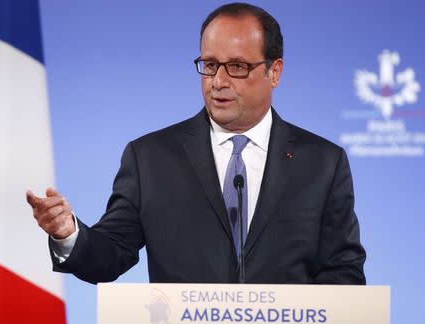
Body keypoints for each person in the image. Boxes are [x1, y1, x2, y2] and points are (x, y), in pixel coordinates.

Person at [26, 3, 366, 285]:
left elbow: (344, 271)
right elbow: (110, 253)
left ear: (274, 72)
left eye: (236, 67)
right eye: (210, 65)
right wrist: (67, 232)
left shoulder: (323, 162)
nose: (218, 81)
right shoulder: (150, 159)